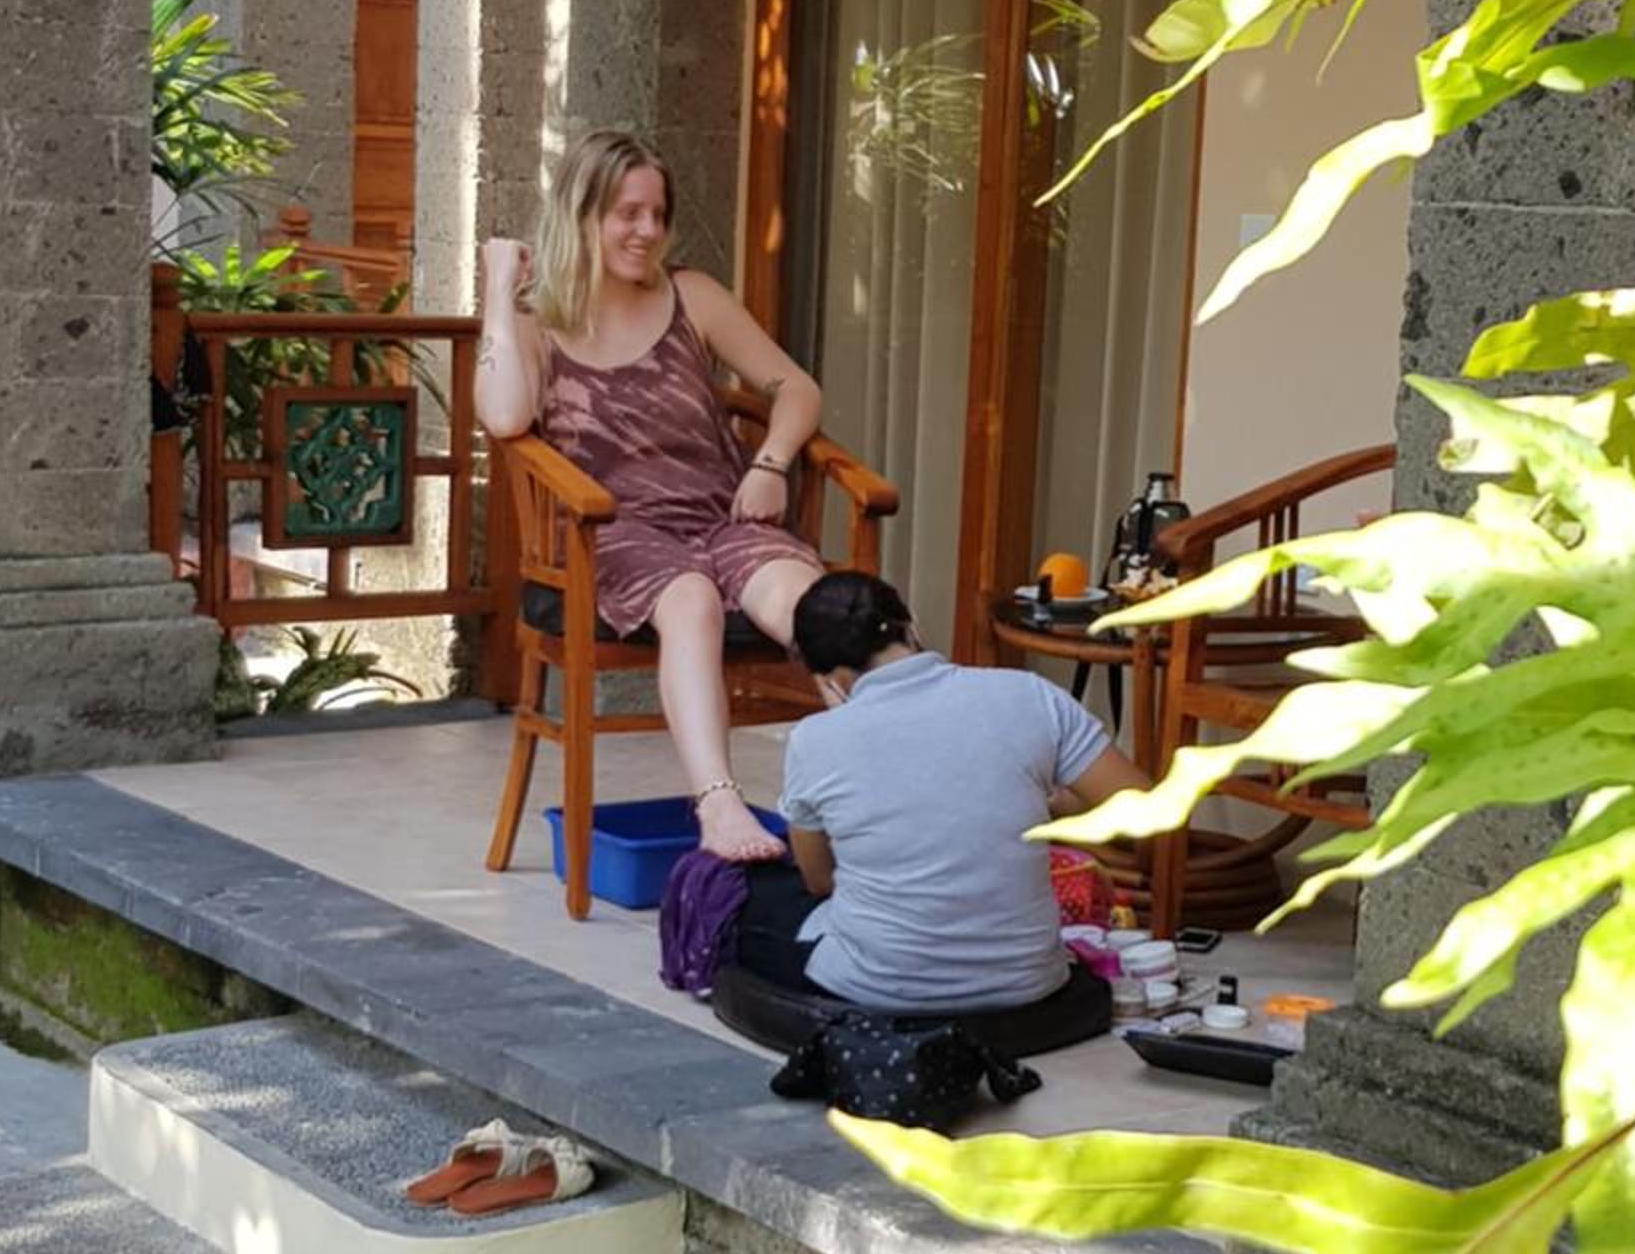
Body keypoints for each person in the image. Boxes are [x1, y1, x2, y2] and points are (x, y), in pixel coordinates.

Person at [476, 127, 825, 864]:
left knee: (813, 603)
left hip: (723, 518)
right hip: (608, 535)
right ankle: (718, 804)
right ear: (581, 213)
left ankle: (892, 783)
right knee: (690, 599)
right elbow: (505, 418)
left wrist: (770, 463)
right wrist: (498, 297)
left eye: (658, 214)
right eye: (627, 213)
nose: (647, 231)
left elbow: (795, 386)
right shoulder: (542, 322)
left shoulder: (692, 296)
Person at [732, 569, 1150, 1051]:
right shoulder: (1028, 695)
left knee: (754, 897)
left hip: (881, 987)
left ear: (833, 678)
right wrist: (1050, 804)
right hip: (1028, 983)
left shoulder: (815, 740)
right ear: (911, 626)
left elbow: (819, 881)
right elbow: (1141, 804)